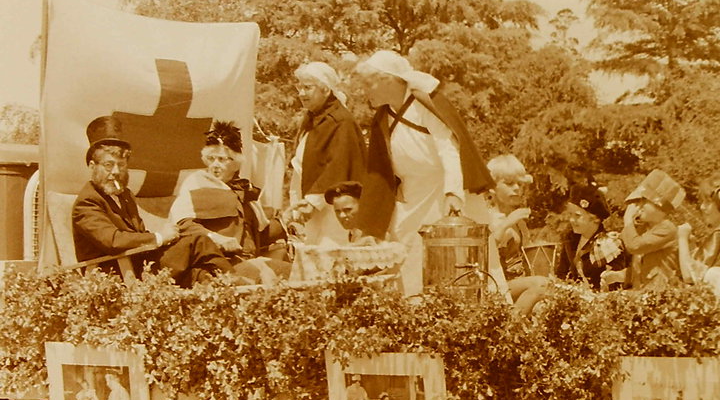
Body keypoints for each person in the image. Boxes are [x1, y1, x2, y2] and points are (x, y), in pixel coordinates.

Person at [354, 50, 493, 295]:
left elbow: (448, 147)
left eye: (368, 84)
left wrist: (453, 192)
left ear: (389, 79)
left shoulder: (425, 103)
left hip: (445, 192)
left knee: (462, 262)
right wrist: (371, 226)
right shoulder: (382, 118)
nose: (365, 91)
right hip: (413, 198)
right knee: (408, 258)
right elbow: (378, 174)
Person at [72, 115, 240, 287]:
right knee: (198, 242)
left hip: (139, 263)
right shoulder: (87, 202)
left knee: (198, 275)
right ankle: (240, 288)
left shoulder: (125, 195)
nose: (115, 171)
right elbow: (114, 241)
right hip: (117, 275)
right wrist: (160, 237)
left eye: (121, 165)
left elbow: (138, 234)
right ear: (93, 166)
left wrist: (169, 238)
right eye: (108, 165)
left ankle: (230, 300)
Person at [169, 120, 292, 284]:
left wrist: (287, 218)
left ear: (236, 163)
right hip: (220, 266)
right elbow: (183, 225)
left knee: (296, 273)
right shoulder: (196, 183)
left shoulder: (243, 190)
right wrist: (216, 238)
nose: (215, 165)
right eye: (211, 158)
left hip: (250, 261)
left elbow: (260, 231)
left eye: (222, 159)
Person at [287, 61, 367, 244]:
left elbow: (338, 164)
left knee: (331, 254)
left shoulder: (340, 120)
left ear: (325, 90)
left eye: (307, 88)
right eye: (299, 87)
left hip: (334, 207)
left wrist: (313, 202)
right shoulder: (312, 118)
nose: (301, 93)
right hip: (312, 204)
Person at [485, 154, 549, 311]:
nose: (516, 188)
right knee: (541, 284)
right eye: (509, 183)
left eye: (520, 184)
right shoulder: (487, 217)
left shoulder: (519, 220)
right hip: (494, 284)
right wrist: (508, 223)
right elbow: (484, 252)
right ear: (492, 188)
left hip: (517, 284)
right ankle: (511, 329)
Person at [617, 169, 684, 291]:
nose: (639, 206)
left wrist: (627, 220)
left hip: (663, 294)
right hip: (645, 293)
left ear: (659, 206)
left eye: (644, 201)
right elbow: (640, 267)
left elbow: (635, 246)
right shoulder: (645, 228)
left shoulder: (667, 229)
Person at [554, 182, 628, 291]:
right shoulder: (570, 239)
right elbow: (561, 273)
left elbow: (614, 284)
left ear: (595, 219)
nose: (571, 220)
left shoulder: (607, 244)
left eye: (577, 216)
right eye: (570, 214)